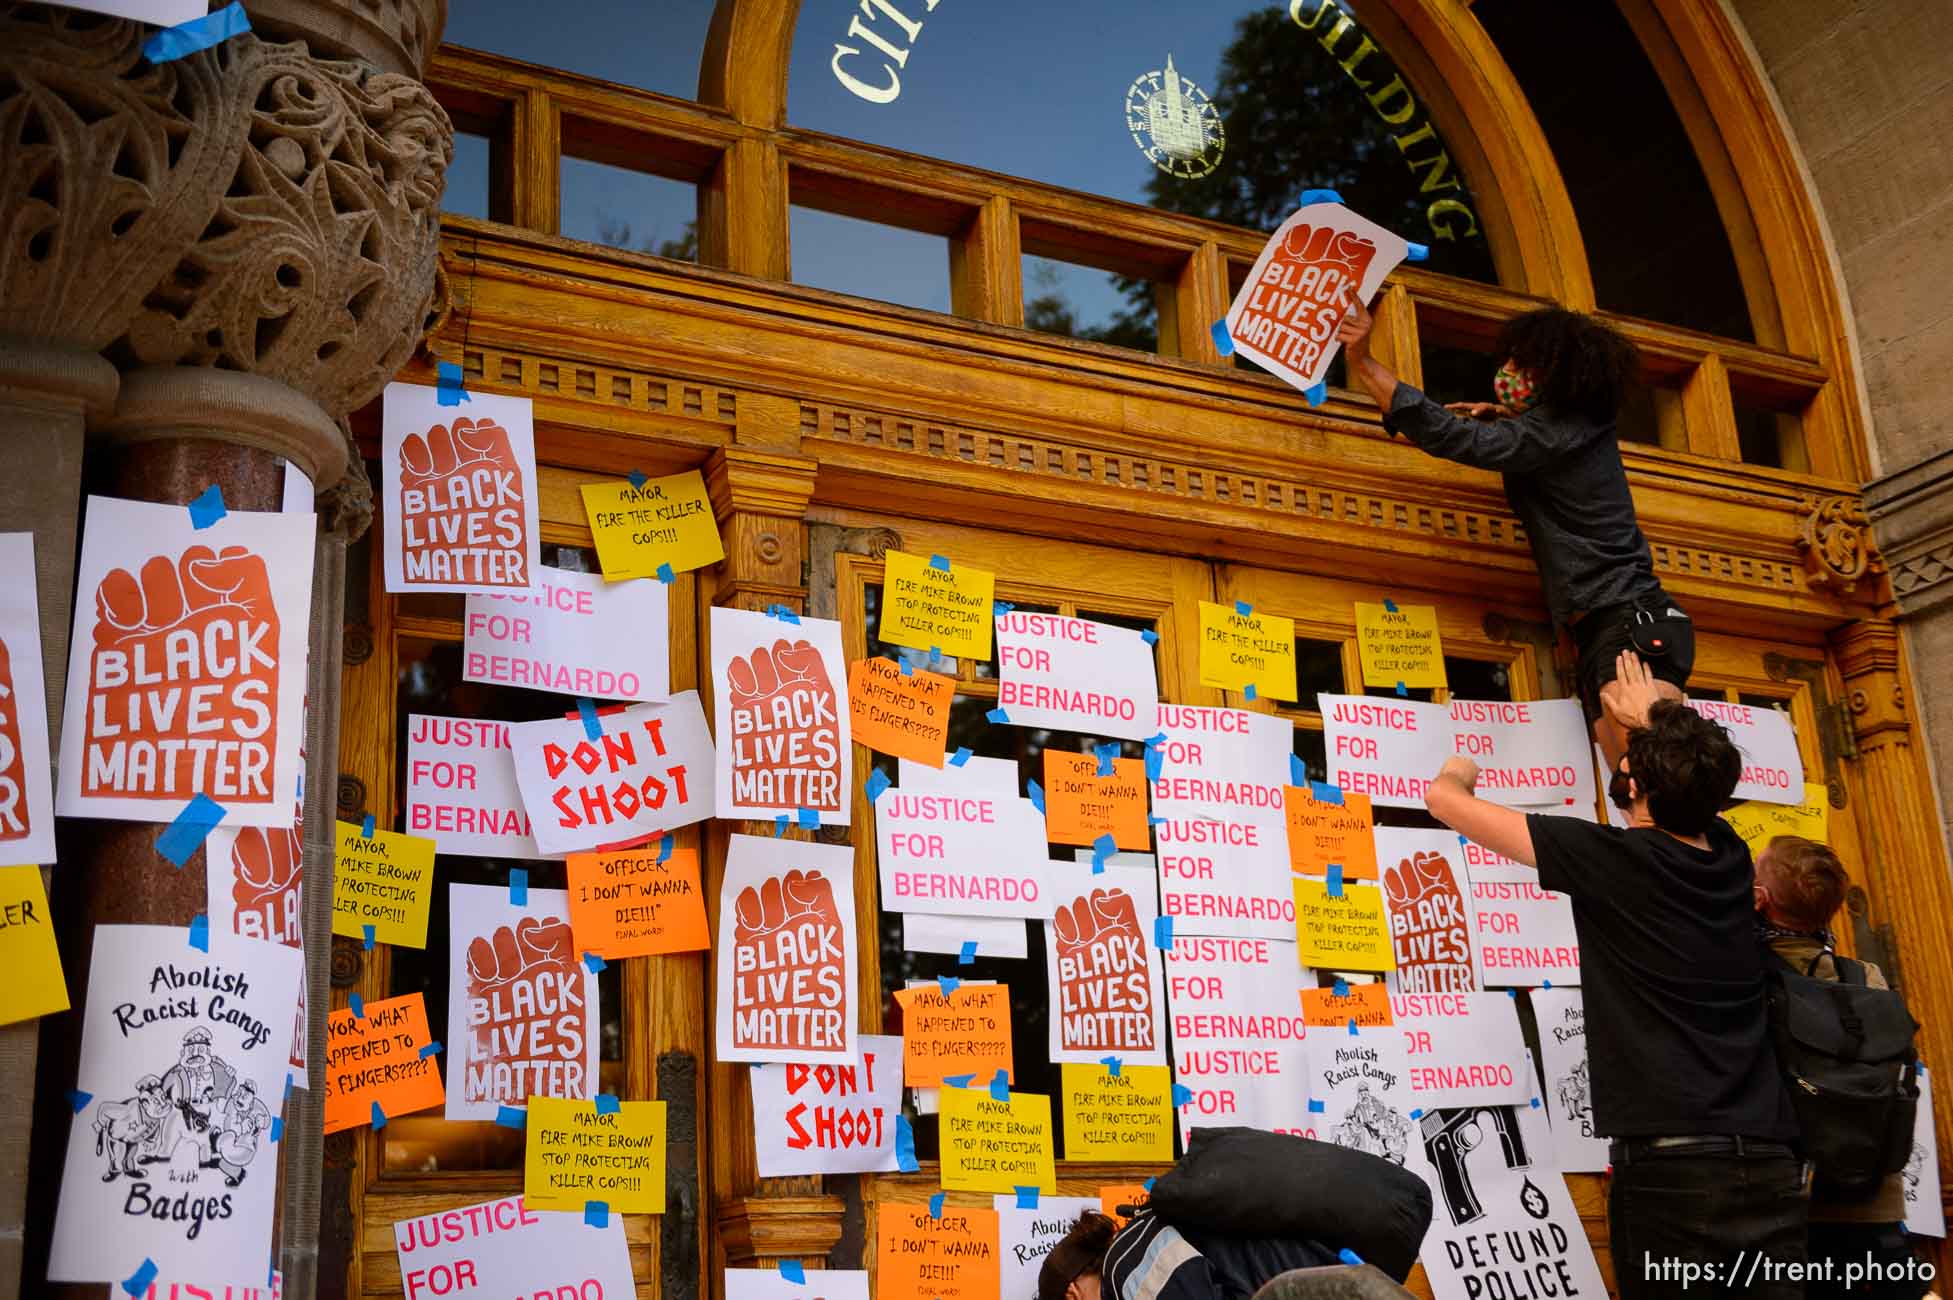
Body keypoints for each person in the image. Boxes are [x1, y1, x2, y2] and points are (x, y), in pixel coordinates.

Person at [1424, 650, 1805, 1299]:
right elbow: (1693, 775)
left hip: (1675, 1171)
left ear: (1640, 783)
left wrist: (1459, 762)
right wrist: (1652, 718)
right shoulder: (1729, 856)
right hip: (1768, 1157)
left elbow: (1443, 799)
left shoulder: (1610, 858)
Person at [1337, 301, 1693, 774]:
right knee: (1631, 783)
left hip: (1629, 626)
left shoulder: (1558, 433)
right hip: (1605, 629)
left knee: (1654, 775)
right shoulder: (1567, 431)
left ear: (1559, 377)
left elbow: (1458, 439)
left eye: (1521, 365)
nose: (1506, 371)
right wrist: (1506, 416)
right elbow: (1525, 440)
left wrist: (1363, 361)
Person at [1755, 836, 1925, 1300]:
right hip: (1874, 1196)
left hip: (1787, 1203)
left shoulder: (1747, 977)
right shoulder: (1865, 977)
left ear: (1759, 899)